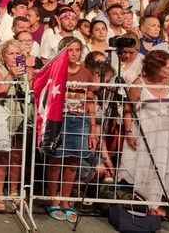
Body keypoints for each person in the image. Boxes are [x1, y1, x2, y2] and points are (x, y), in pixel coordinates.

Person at [118, 50, 169, 217]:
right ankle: (140, 207)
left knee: (163, 168)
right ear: (155, 68)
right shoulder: (139, 84)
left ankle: (158, 206)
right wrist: (129, 132)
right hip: (143, 135)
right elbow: (128, 110)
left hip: (166, 136)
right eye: (168, 67)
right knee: (142, 168)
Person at [43, 37, 96, 223]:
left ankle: (65, 200)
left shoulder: (86, 73)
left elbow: (91, 101)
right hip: (59, 120)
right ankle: (53, 199)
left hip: (79, 120)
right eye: (70, 50)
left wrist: (93, 128)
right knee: (56, 160)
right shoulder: (56, 70)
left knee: (73, 161)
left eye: (77, 50)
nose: (74, 54)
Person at [0, 40, 26, 211]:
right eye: (11, 53)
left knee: (17, 157)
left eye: (18, 53)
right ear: (3, 56)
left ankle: (14, 192)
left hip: (20, 116)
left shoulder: (24, 72)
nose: (15, 56)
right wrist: (10, 74)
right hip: (2, 116)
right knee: (2, 157)